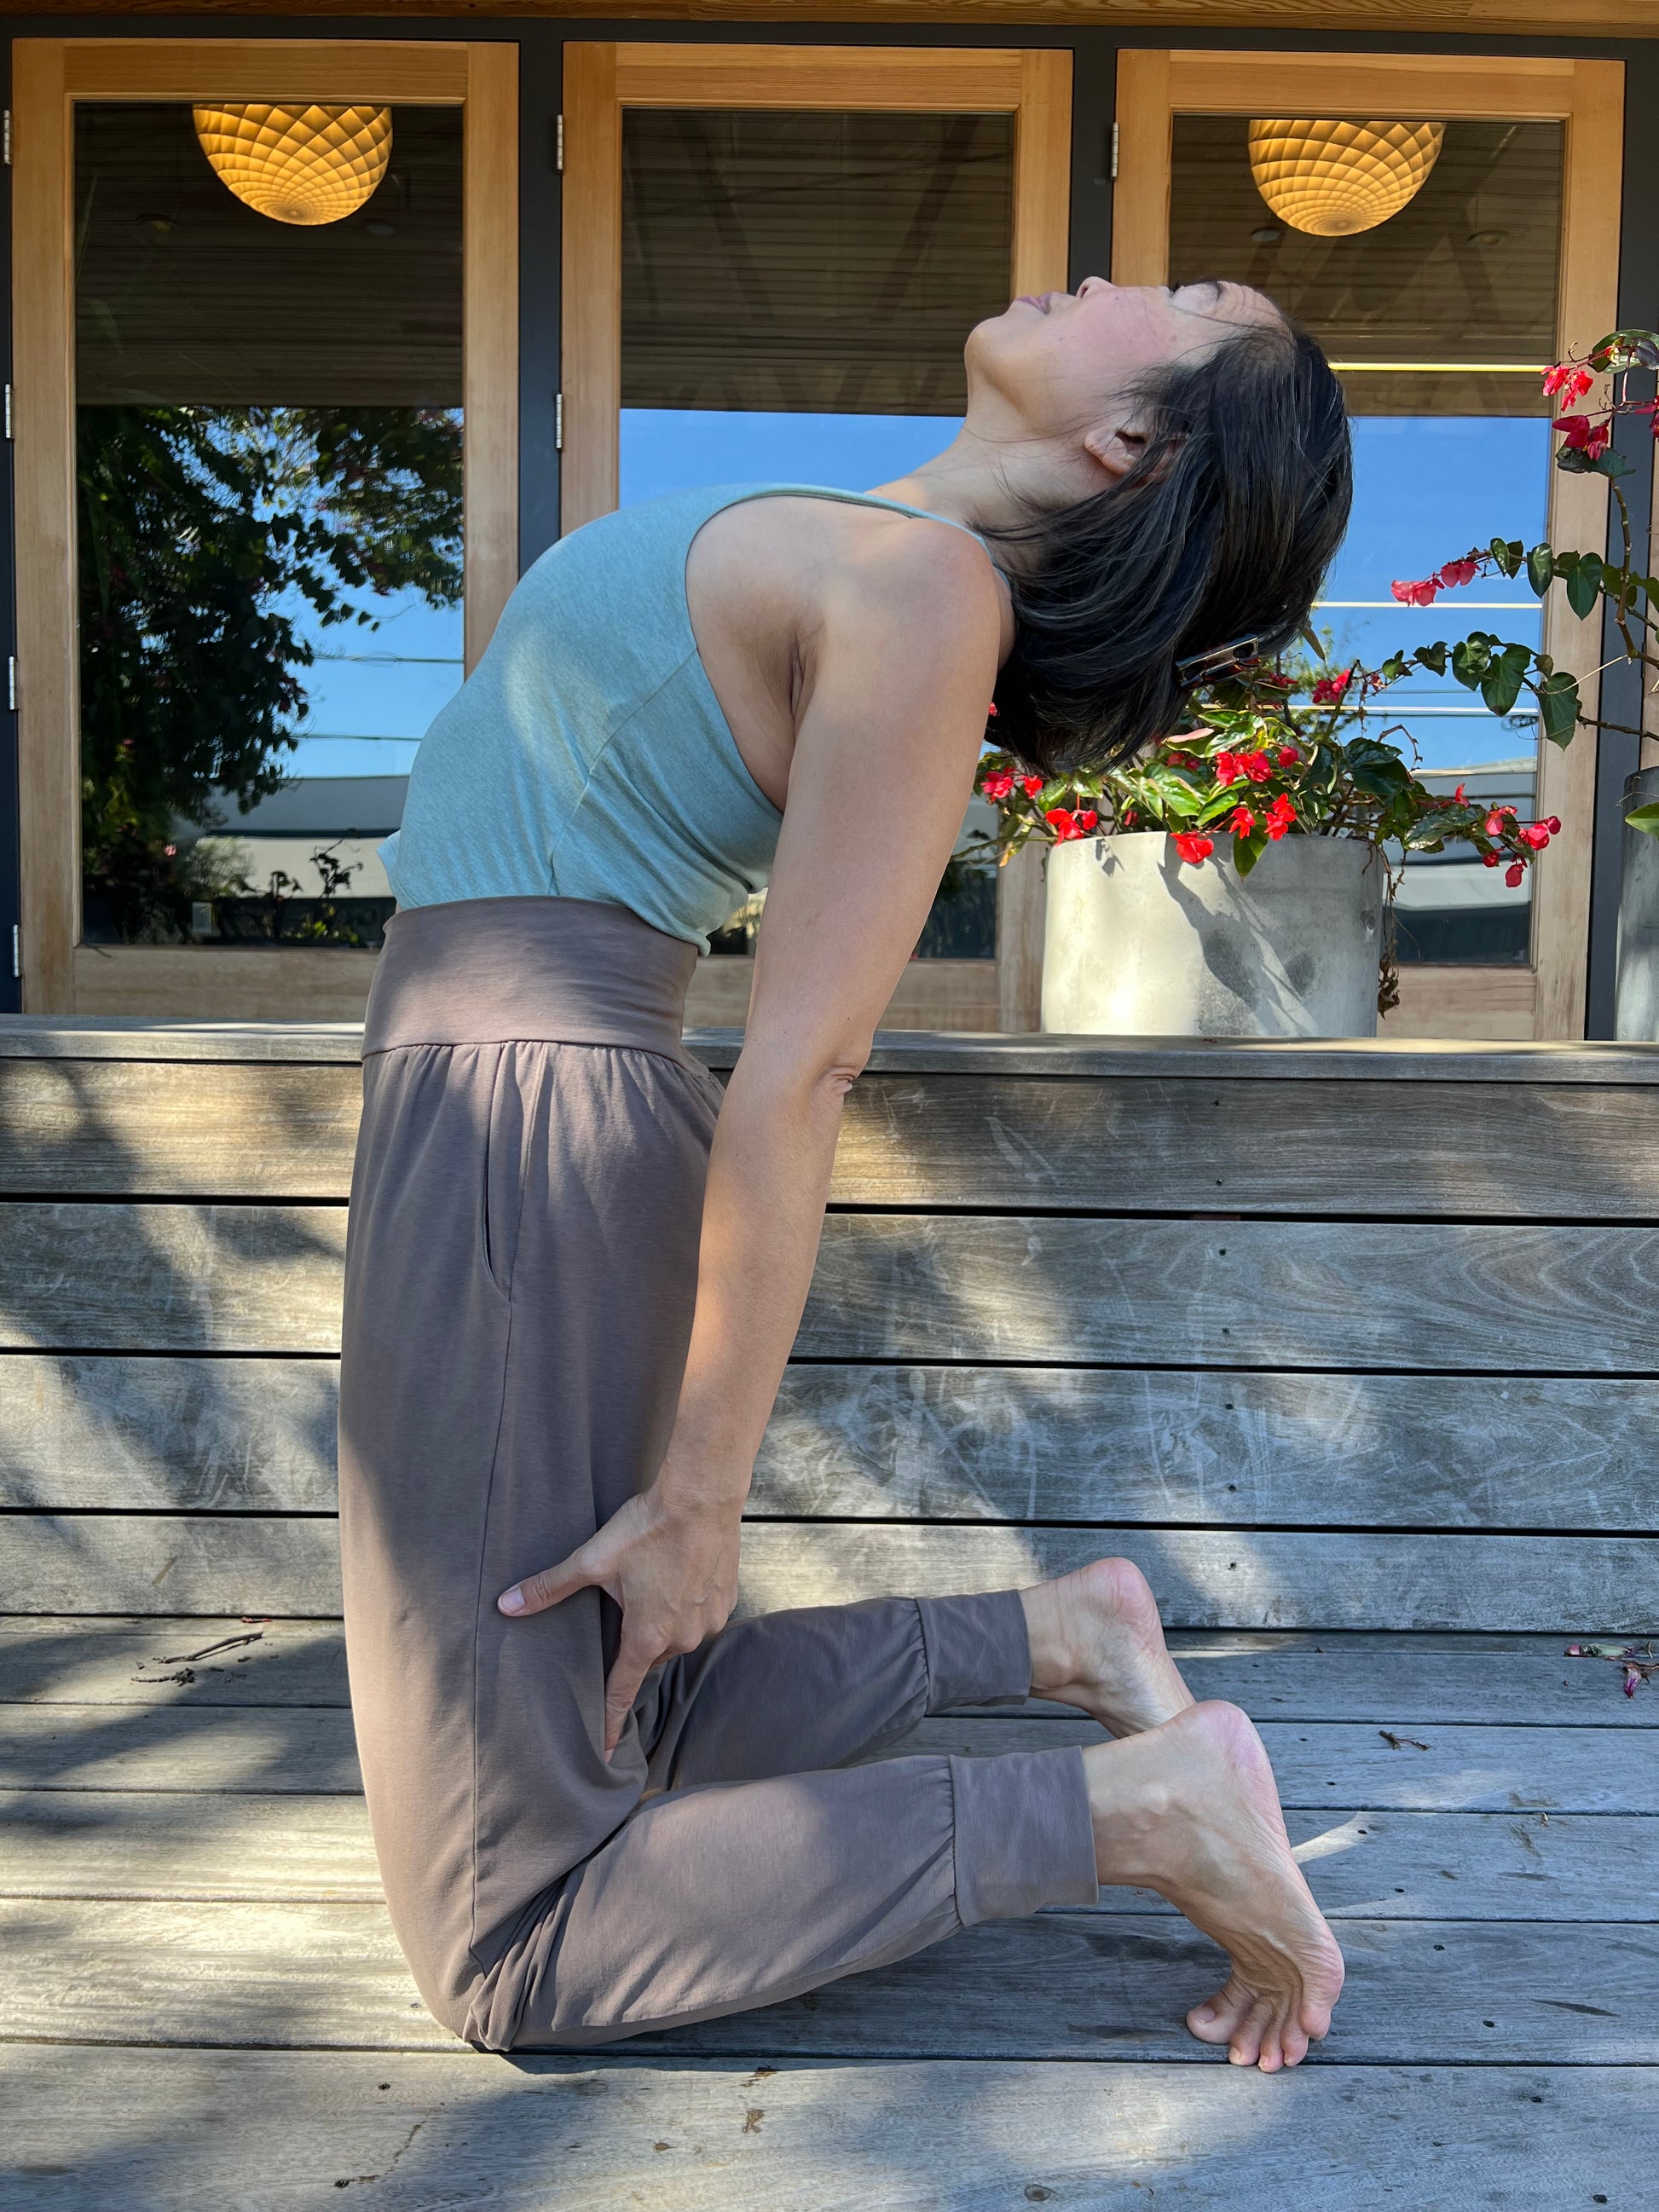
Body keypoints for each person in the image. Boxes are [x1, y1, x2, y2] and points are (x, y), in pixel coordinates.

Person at [338, 276, 1354, 2073]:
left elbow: (802, 1063)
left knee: (512, 1937)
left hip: (524, 1126)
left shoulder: (923, 595)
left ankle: (1145, 1808)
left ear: (1136, 438)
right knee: (600, 1701)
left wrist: (704, 1491)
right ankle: (1062, 1633)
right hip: (489, 1109)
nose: (1111, 273)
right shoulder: (887, 543)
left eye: (1180, 298)